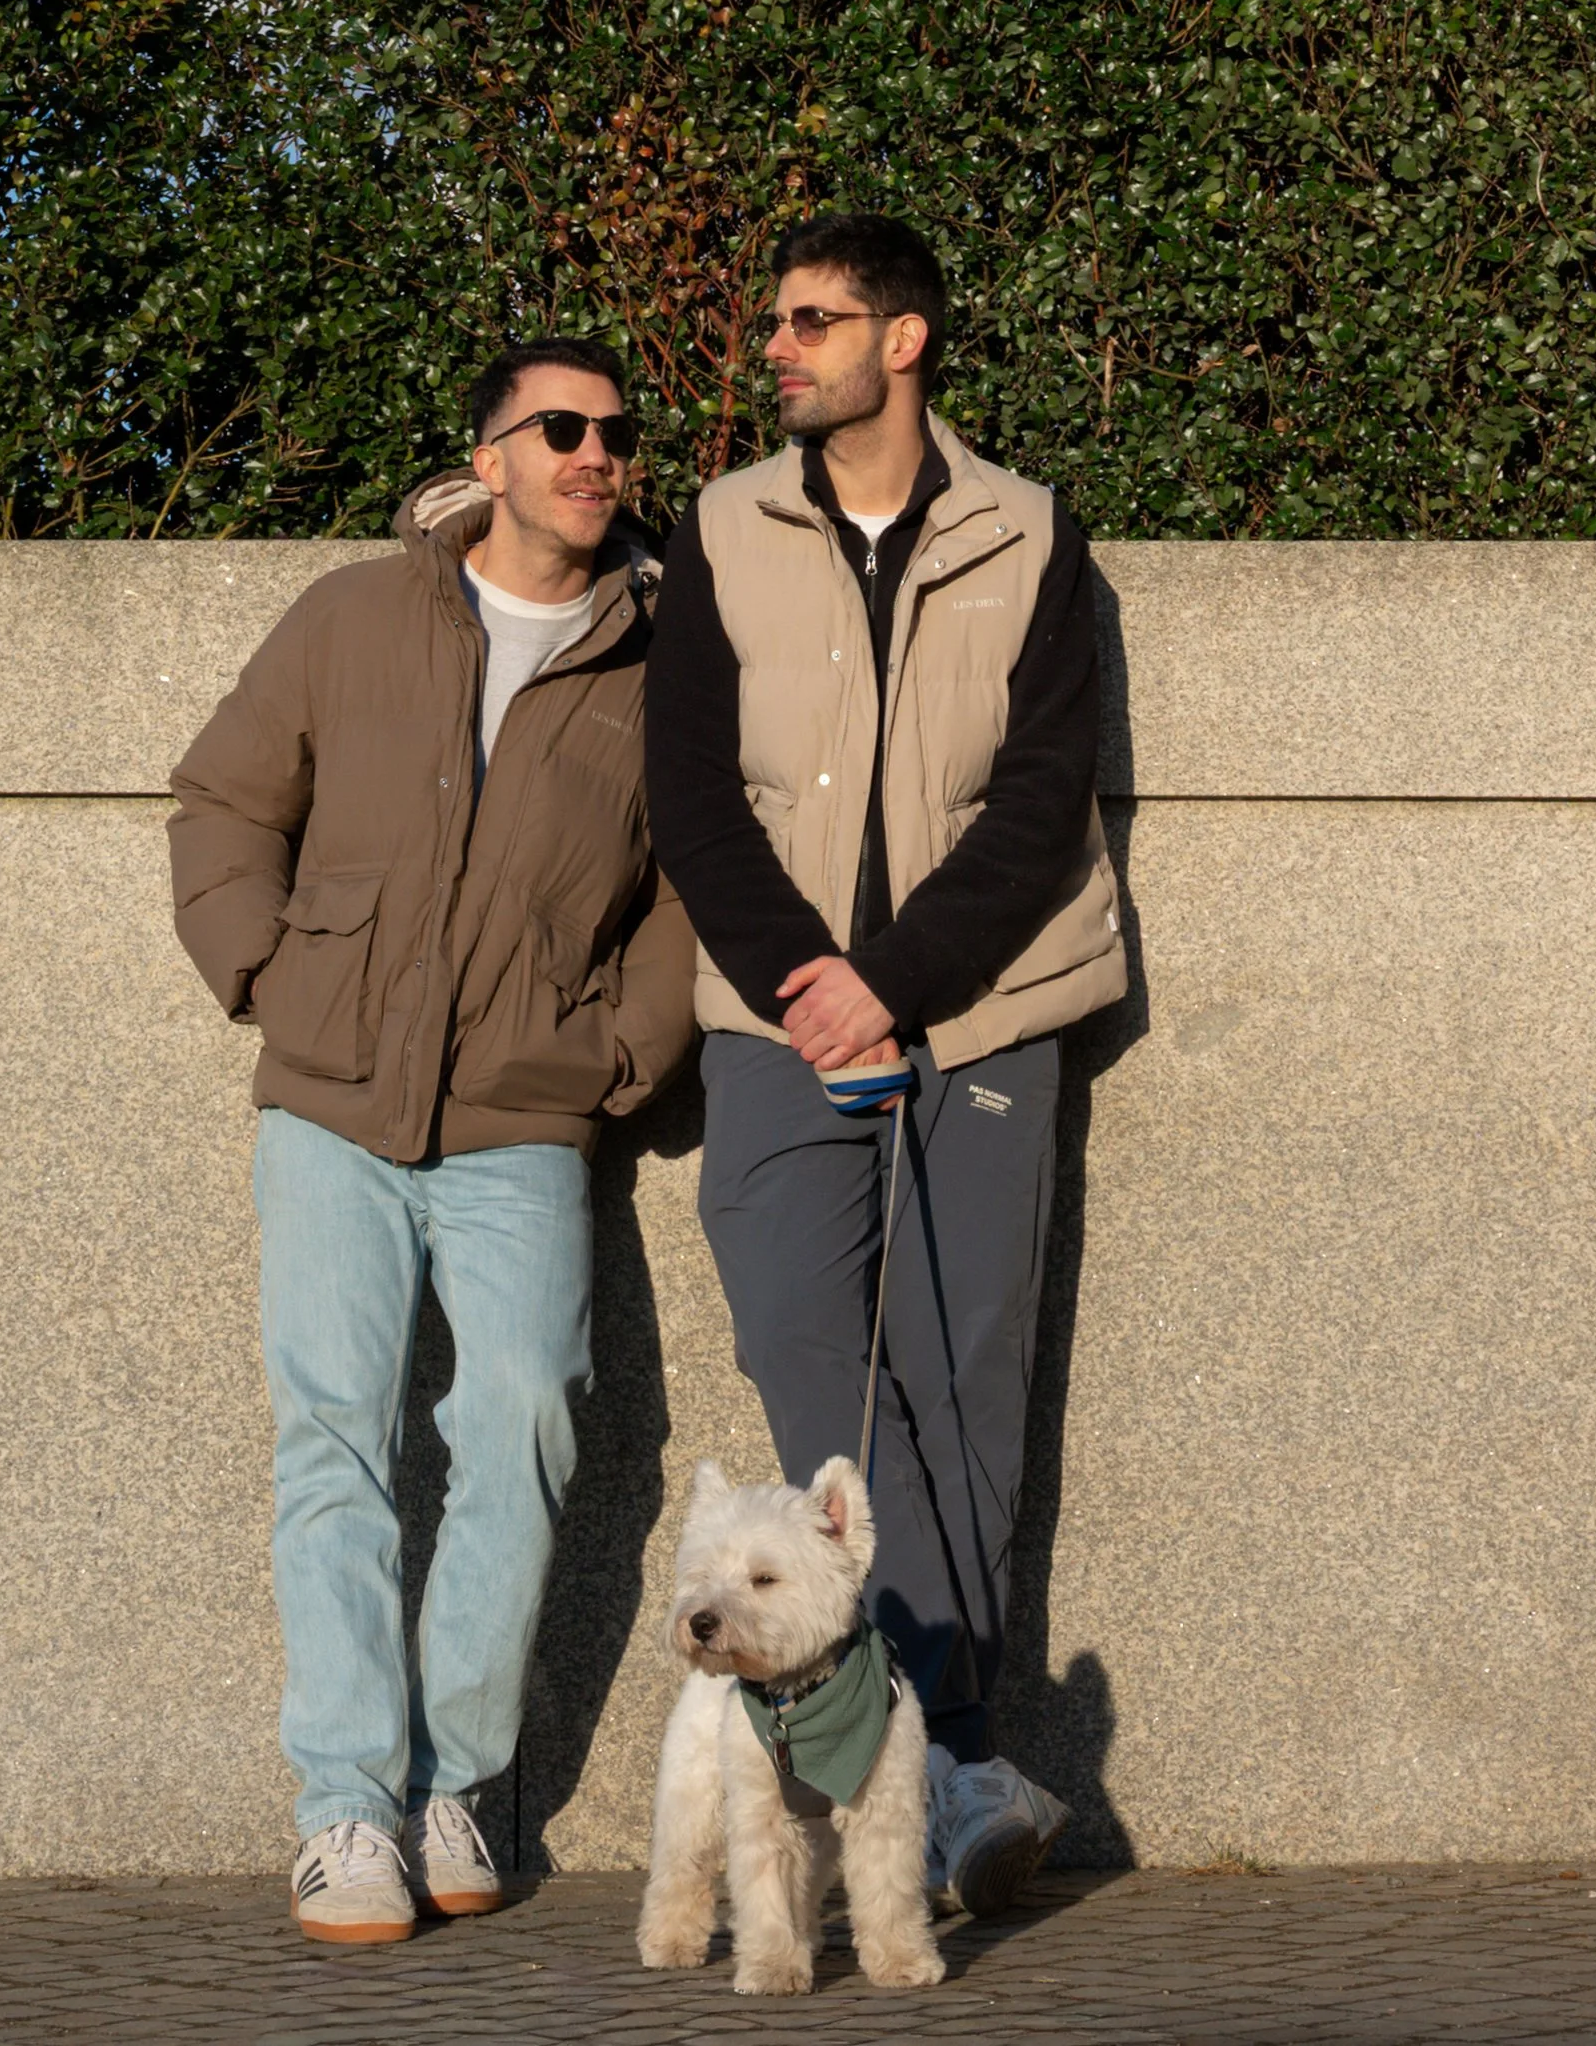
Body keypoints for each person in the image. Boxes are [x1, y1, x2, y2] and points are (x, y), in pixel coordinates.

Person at [167, 339, 694, 1949]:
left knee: (527, 1418)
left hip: (524, 1117)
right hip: (331, 1099)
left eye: (615, 432)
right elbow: (224, 798)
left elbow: (689, 891)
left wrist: (619, 1052)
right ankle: (343, 1809)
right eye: (564, 428)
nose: (598, 453)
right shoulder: (353, 614)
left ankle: (454, 1782)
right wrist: (262, 969)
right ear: (491, 452)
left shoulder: (663, 663)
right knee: (332, 1441)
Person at [644, 213, 1126, 1921]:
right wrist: (807, 982)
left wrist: (899, 981)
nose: (780, 346)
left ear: (903, 341)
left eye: (815, 320)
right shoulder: (718, 530)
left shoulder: (1030, 534)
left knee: (961, 1375)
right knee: (804, 1349)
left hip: (985, 1015)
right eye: (776, 319)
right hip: (773, 1021)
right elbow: (691, 793)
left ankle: (955, 1752)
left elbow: (1042, 797)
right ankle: (924, 1742)